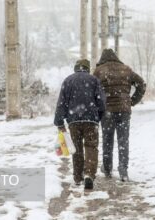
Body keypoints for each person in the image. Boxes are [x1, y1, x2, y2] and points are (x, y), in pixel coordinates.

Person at [94, 49, 146, 182]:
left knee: (107, 140)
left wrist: (98, 105)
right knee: (123, 140)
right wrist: (132, 101)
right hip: (124, 111)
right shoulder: (126, 69)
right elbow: (141, 84)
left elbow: (93, 90)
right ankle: (123, 170)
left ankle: (107, 168)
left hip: (107, 112)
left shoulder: (99, 71)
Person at [54, 59, 106, 190]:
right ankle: (89, 174)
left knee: (76, 148)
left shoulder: (68, 80)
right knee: (91, 147)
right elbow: (102, 102)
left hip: (73, 121)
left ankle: (78, 177)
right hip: (91, 120)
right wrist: (98, 117)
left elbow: (61, 103)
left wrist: (59, 121)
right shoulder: (94, 80)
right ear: (88, 68)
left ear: (76, 68)